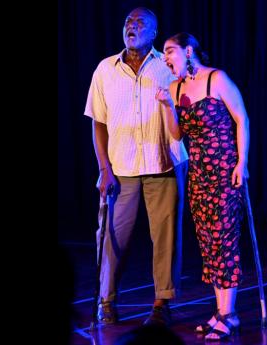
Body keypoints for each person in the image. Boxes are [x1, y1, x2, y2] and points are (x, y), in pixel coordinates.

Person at [84, 8, 188, 326]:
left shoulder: (167, 66)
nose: (132, 26)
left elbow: (185, 114)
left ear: (154, 33)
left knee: (166, 237)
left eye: (141, 23)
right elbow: (98, 123)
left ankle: (161, 304)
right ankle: (106, 300)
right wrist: (104, 168)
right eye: (129, 22)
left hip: (165, 163)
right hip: (120, 167)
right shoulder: (105, 70)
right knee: (112, 236)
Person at [156, 32, 250, 340]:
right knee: (209, 242)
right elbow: (176, 135)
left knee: (225, 240)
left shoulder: (217, 79)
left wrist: (242, 163)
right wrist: (169, 105)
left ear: (189, 50)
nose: (166, 58)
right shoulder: (176, 87)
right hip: (198, 175)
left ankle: (230, 314)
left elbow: (241, 119)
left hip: (224, 171)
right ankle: (221, 312)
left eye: (170, 51)